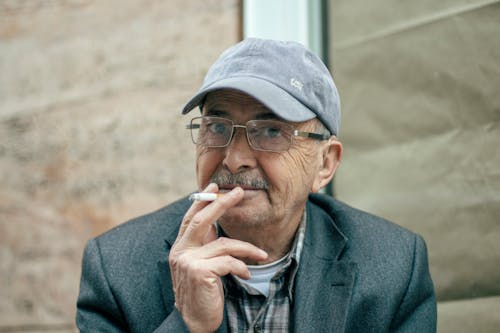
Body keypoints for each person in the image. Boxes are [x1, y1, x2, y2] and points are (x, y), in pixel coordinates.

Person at [76, 38, 437, 332]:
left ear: (325, 165)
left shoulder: (394, 268)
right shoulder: (116, 270)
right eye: (217, 127)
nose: (234, 159)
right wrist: (188, 324)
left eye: (271, 131)